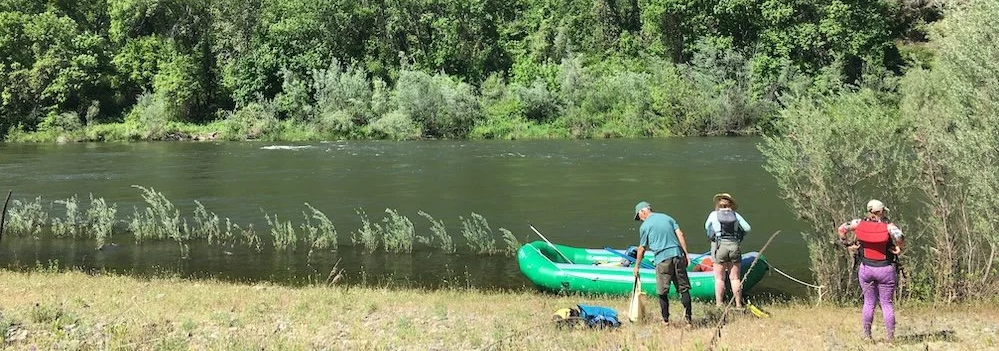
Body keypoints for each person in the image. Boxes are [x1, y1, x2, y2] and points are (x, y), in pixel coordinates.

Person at [837, 199, 905, 342]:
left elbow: (841, 229)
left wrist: (847, 244)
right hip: (885, 269)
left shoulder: (858, 223)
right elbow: (899, 236)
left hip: (866, 269)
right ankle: (890, 339)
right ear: (880, 212)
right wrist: (900, 248)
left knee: (868, 303)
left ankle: (867, 336)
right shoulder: (888, 226)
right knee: (886, 304)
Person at [632, 201, 692, 326]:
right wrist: (686, 254)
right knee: (684, 289)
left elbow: (642, 248)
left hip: (662, 259)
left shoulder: (645, 226)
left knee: (662, 291)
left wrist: (637, 266)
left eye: (639, 216)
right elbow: (680, 234)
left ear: (643, 211)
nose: (640, 219)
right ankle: (688, 321)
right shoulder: (667, 218)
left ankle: (665, 321)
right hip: (677, 255)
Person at [704, 193, 751, 308]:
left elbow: (706, 227)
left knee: (719, 279)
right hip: (734, 245)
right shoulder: (735, 215)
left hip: (719, 246)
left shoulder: (713, 215)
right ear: (731, 204)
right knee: (735, 278)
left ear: (718, 204)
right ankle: (738, 304)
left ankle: (719, 304)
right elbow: (748, 228)